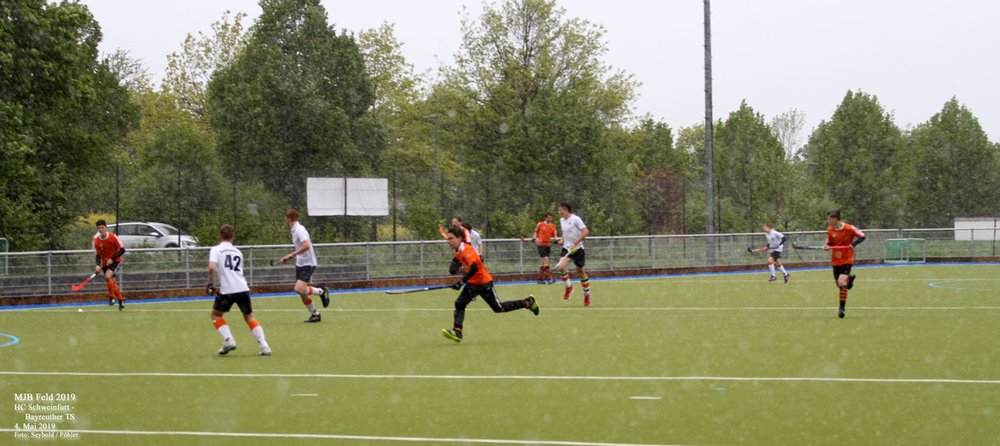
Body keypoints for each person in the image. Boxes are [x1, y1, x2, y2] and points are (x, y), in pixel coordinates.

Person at [441, 227, 539, 343]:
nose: (449, 241)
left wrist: (462, 282)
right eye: (448, 239)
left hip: (483, 283)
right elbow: (453, 269)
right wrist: (455, 267)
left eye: (451, 238)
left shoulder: (466, 250)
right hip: (473, 283)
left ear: (459, 238)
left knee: (498, 308)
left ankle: (527, 302)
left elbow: (474, 267)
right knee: (460, 303)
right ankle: (457, 332)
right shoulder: (458, 251)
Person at [208, 224, 271, 356]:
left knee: (216, 315)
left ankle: (229, 340)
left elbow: (212, 268)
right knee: (249, 317)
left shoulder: (216, 249)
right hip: (242, 288)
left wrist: (210, 284)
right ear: (234, 236)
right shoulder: (238, 252)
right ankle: (264, 346)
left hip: (227, 290)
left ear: (220, 236)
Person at [279, 209, 329, 323]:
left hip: (308, 263)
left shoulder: (299, 230)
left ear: (289, 218)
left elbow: (306, 245)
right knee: (301, 292)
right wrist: (291, 257)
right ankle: (315, 314)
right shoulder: (294, 230)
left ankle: (321, 291)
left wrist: (291, 254)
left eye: (285, 218)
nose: (285, 220)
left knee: (299, 288)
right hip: (300, 263)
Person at [824, 209, 866, 318]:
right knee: (840, 285)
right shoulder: (830, 229)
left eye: (830, 219)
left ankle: (841, 308)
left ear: (835, 219)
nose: (828, 221)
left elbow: (862, 236)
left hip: (847, 258)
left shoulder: (849, 228)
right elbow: (830, 242)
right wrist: (827, 246)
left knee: (842, 283)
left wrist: (853, 244)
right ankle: (850, 281)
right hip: (835, 260)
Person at [555, 202, 591, 306]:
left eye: (560, 210)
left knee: (580, 272)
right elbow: (565, 233)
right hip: (567, 248)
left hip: (578, 248)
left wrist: (576, 243)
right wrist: (562, 240)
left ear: (566, 210)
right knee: (561, 267)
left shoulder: (576, 219)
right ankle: (569, 287)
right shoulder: (562, 220)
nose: (559, 212)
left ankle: (587, 295)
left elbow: (585, 232)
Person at [93, 220, 125, 311]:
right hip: (105, 263)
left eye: (102, 228)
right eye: (99, 228)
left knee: (107, 276)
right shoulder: (97, 241)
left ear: (106, 228)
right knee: (113, 283)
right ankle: (121, 301)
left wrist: (112, 258)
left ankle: (111, 297)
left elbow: (122, 250)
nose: (101, 230)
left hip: (116, 261)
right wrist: (97, 265)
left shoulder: (113, 237)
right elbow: (98, 255)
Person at [522, 213, 558, 284]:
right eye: (548, 218)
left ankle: (539, 279)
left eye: (551, 218)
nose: (550, 219)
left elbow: (555, 234)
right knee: (546, 259)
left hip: (548, 245)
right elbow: (536, 232)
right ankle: (549, 278)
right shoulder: (540, 224)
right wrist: (534, 237)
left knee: (544, 264)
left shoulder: (553, 226)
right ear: (545, 218)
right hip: (541, 244)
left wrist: (556, 240)